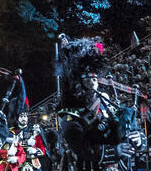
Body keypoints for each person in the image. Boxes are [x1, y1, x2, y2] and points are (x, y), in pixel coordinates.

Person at [51, 35, 142, 171]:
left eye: (94, 79)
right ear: (78, 84)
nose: (93, 84)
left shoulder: (108, 106)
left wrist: (137, 138)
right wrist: (114, 151)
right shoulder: (70, 114)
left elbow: (126, 130)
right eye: (87, 79)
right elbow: (81, 147)